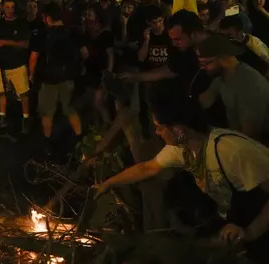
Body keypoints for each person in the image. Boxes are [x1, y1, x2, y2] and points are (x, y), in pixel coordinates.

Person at [93, 101, 269, 262]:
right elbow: (147, 168)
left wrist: (250, 233)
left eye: (160, 127)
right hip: (234, 218)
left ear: (178, 130)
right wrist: (108, 184)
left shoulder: (230, 151)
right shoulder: (182, 149)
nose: (156, 133)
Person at [196, 34, 269, 142]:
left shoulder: (250, 85)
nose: (202, 68)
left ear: (223, 59)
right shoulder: (223, 77)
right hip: (235, 138)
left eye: (205, 63)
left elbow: (250, 135)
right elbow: (205, 99)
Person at [29, 4, 83, 138]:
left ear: (48, 18)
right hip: (69, 76)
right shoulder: (73, 32)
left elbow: (33, 58)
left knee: (47, 112)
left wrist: (32, 75)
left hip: (49, 79)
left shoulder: (43, 34)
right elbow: (85, 53)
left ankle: (47, 141)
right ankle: (80, 138)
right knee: (70, 108)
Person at [0, 0, 31, 133]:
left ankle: (26, 119)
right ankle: (2, 119)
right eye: (7, 7)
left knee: (23, 94)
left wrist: (6, 42)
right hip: (1, 64)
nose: (10, 10)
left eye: (12, 7)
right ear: (2, 7)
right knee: (1, 92)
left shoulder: (21, 23)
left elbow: (25, 44)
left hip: (17, 64)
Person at [81, 5, 114, 126]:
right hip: (90, 70)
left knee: (98, 102)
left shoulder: (105, 33)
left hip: (102, 71)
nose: (87, 17)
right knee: (91, 102)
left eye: (90, 14)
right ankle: (96, 126)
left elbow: (110, 54)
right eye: (86, 14)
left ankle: (108, 126)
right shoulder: (86, 33)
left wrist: (109, 72)